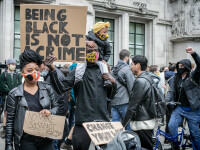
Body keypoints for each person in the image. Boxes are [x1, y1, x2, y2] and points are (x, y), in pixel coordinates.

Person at [46, 43, 117, 150]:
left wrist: (113, 83)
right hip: (83, 123)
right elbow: (62, 88)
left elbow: (111, 96)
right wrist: (52, 69)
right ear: (83, 53)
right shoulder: (78, 70)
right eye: (89, 51)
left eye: (95, 50)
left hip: (102, 122)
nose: (93, 53)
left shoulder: (103, 70)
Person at [5, 50, 58, 150]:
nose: (34, 73)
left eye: (37, 69)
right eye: (29, 70)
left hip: (46, 139)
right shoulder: (14, 94)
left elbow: (57, 108)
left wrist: (50, 112)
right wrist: (8, 144)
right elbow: (10, 121)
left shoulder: (47, 88)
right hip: (26, 141)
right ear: (22, 72)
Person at [166, 47, 200, 150]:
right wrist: (166, 101)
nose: (180, 68)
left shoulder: (193, 76)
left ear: (187, 67)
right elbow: (171, 91)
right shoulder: (175, 78)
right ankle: (176, 145)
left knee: (195, 135)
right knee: (171, 126)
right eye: (179, 66)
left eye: (182, 66)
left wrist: (194, 54)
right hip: (180, 109)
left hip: (193, 110)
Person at [122, 55, 155, 149]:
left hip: (141, 123)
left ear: (138, 65)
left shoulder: (140, 81)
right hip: (146, 120)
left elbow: (133, 106)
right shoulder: (148, 78)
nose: (130, 67)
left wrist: (123, 124)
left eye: (132, 64)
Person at [40, 61, 69, 150]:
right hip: (57, 112)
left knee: (54, 141)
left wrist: (53, 111)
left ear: (45, 65)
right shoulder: (50, 74)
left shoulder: (56, 75)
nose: (38, 69)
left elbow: (58, 96)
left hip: (56, 114)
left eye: (39, 66)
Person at [75, 22, 111, 86]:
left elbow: (108, 53)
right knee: (81, 63)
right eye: (104, 32)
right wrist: (87, 42)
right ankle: (78, 78)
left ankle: (107, 80)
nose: (106, 34)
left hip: (99, 59)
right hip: (87, 58)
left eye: (106, 32)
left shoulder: (106, 43)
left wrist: (105, 60)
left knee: (103, 65)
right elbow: (79, 42)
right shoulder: (89, 38)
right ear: (97, 32)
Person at [110, 49, 135, 130]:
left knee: (115, 124)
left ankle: (115, 141)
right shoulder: (127, 69)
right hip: (124, 100)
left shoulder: (113, 69)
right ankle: (129, 141)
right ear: (126, 58)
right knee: (128, 123)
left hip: (114, 100)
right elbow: (131, 87)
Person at [0, 59, 22, 138]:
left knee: (17, 112)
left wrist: (16, 93)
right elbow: (2, 86)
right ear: (8, 65)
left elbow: (20, 85)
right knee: (6, 113)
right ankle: (5, 130)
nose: (14, 65)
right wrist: (10, 93)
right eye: (12, 64)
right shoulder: (3, 75)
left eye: (15, 64)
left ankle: (15, 129)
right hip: (7, 97)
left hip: (17, 96)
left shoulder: (18, 75)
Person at [163, 62, 176, 144]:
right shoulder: (175, 76)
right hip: (173, 101)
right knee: (172, 120)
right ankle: (172, 138)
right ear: (175, 69)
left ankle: (166, 138)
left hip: (166, 100)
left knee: (168, 119)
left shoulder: (164, 75)